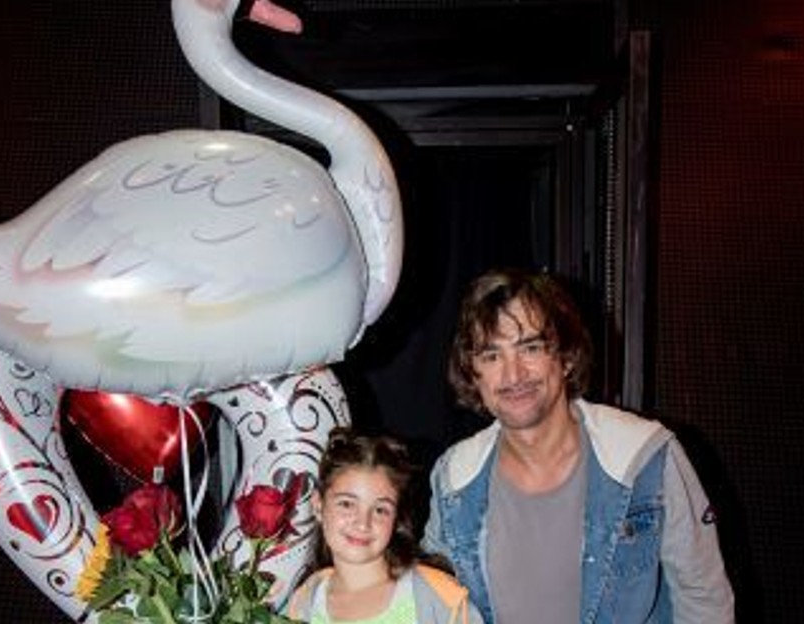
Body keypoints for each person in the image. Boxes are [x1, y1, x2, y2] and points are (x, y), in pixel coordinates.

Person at [422, 267, 735, 624]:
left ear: (567, 358)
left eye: (530, 348)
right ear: (472, 373)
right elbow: (427, 604)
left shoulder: (645, 457)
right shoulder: (454, 479)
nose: (513, 375)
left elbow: (704, 598)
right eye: (492, 356)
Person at [287, 426, 484, 624]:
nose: (363, 523)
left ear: (396, 517)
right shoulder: (305, 603)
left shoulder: (438, 598)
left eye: (380, 510)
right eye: (347, 504)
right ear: (318, 506)